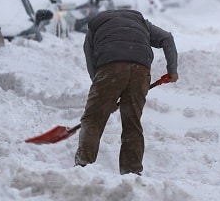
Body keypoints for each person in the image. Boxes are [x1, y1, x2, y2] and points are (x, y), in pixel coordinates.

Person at [75, 9, 178, 175]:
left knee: (93, 120)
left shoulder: (95, 27)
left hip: (110, 68)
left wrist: (105, 96)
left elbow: (91, 62)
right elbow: (167, 38)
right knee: (132, 122)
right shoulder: (141, 23)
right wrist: (172, 70)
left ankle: (83, 168)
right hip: (140, 70)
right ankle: (132, 172)